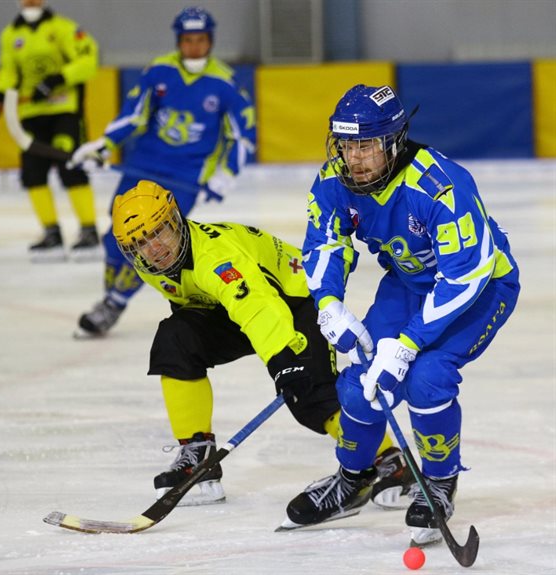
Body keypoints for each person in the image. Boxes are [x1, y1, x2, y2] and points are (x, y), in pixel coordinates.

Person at [286, 84, 520, 544]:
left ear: (393, 142)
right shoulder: (335, 180)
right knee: (357, 385)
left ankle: (438, 482)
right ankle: (354, 479)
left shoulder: (439, 187)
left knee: (426, 376)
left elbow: (463, 277)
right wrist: (329, 305)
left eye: (366, 145)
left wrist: (408, 342)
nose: (354, 158)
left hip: (481, 288)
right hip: (410, 284)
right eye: (347, 145)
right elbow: (325, 243)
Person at [108, 179, 414, 507]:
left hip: (298, 299)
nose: (154, 248)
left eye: (158, 232)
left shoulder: (216, 258)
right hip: (230, 306)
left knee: (312, 395)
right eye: (140, 243)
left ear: (175, 220)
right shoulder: (152, 266)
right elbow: (194, 305)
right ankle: (197, 452)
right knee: (175, 341)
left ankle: (390, 459)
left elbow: (258, 308)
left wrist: (285, 361)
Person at [69, 6, 256, 335]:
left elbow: (243, 137)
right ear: (178, 41)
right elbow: (133, 115)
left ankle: (114, 303)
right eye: (187, 40)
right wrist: (103, 146)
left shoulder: (225, 84)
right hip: (141, 167)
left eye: (200, 40)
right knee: (117, 239)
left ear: (209, 41)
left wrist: (226, 174)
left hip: (183, 180)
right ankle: (110, 297)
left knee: (156, 246)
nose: (194, 47)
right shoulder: (158, 72)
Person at [0, 0, 100, 261]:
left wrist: (57, 79)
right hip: (31, 116)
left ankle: (89, 230)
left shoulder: (64, 28)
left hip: (64, 112)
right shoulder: (11, 35)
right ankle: (51, 232)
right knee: (33, 174)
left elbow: (88, 60)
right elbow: (9, 73)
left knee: (71, 168)